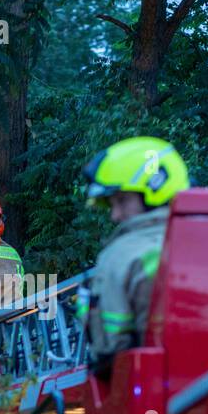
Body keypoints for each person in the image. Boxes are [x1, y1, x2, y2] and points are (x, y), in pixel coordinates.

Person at [79, 137, 190, 373]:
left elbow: (111, 348)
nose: (115, 215)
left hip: (151, 386)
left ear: (157, 188)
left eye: (122, 201)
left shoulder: (120, 255)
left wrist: (88, 310)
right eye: (112, 204)